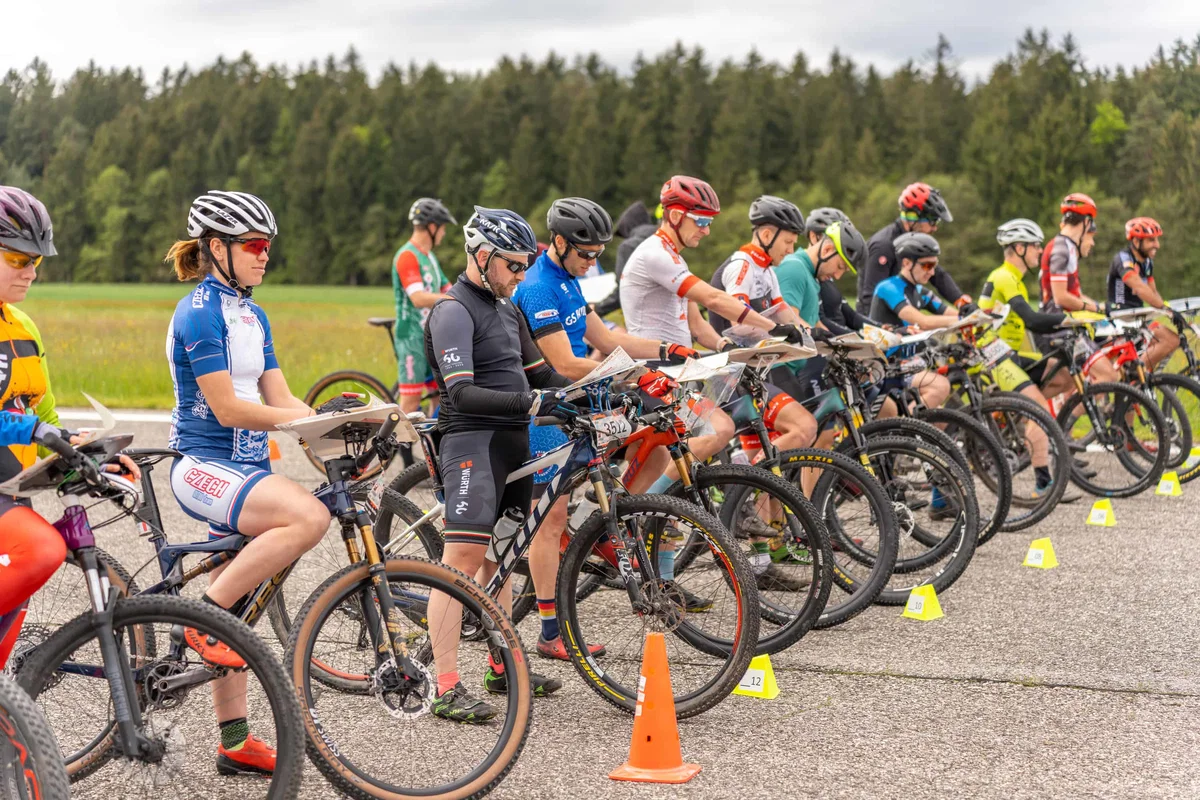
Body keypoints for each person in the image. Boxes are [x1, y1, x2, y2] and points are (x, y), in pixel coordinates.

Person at [165, 190, 330, 774]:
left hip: (247, 470)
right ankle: (201, 621)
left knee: (242, 601)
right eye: (255, 246)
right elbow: (229, 409)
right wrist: (307, 421)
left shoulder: (253, 314)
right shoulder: (199, 312)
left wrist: (340, 429)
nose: (265, 256)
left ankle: (233, 741)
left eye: (268, 247)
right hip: (203, 466)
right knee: (310, 517)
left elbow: (281, 399)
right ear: (217, 248)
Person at [513, 197, 695, 649]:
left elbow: (608, 339)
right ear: (558, 242)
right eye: (586, 254)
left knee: (631, 452)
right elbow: (565, 362)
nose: (593, 263)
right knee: (550, 519)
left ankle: (600, 535)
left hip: (577, 402)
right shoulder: (538, 287)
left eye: (598, 254)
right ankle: (550, 631)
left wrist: (667, 352)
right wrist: (634, 376)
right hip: (545, 407)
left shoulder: (571, 280)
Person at [423, 206, 577, 723]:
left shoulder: (508, 309)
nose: (519, 275)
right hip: (471, 444)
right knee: (462, 563)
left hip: (513, 445)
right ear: (483, 255)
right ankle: (445, 685)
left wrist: (602, 389)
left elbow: (541, 375)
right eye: (512, 265)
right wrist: (535, 406)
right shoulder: (452, 311)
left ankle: (499, 664)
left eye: (524, 265)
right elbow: (462, 392)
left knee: (502, 558)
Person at [0, 187, 140, 671]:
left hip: (11, 493)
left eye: (37, 260)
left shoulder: (23, 327)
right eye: (19, 258)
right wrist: (35, 430)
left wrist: (90, 449)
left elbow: (47, 414)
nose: (32, 271)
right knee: (40, 550)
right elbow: (31, 424)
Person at [979, 219, 1074, 497]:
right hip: (991, 356)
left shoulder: (1015, 278)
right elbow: (1032, 320)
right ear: (1019, 248)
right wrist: (1071, 320)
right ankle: (1043, 482)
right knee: (1039, 407)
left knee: (1063, 374)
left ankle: (1019, 419)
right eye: (1035, 245)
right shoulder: (1004, 276)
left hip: (1008, 353)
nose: (1040, 250)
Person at [392, 198, 456, 464]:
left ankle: (437, 455)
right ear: (431, 226)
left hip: (430, 337)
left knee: (440, 397)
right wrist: (452, 301)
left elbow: (446, 287)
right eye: (442, 228)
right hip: (410, 338)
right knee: (410, 402)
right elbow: (418, 298)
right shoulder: (407, 255)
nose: (443, 234)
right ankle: (406, 462)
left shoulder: (428, 256)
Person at [1037, 192, 1119, 382]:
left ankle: (1095, 407)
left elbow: (1076, 295)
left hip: (1066, 325)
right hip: (1058, 328)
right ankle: (1073, 413)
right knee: (1108, 376)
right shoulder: (1061, 248)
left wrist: (1103, 309)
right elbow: (1061, 298)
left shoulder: (1069, 247)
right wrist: (1096, 308)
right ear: (1086, 223)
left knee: (1112, 353)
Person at [868, 232, 954, 411]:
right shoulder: (889, 287)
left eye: (934, 266)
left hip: (908, 362)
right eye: (927, 265)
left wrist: (974, 317)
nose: (931, 272)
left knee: (943, 419)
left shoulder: (919, 290)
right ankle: (903, 430)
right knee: (940, 387)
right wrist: (962, 319)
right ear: (907, 263)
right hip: (886, 366)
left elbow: (949, 312)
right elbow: (922, 321)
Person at [858, 182, 972, 314]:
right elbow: (870, 298)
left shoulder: (914, 243)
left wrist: (961, 301)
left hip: (902, 320)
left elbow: (937, 275)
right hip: (880, 325)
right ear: (913, 217)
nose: (935, 228)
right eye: (932, 221)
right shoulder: (883, 246)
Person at [1107, 217, 1183, 370]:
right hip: (1120, 316)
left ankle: (1142, 380)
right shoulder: (1124, 258)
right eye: (1151, 240)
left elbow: (1153, 291)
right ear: (1136, 241)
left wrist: (1169, 311)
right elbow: (1139, 288)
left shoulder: (1147, 262)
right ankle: (1137, 377)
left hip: (1138, 316)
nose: (1157, 245)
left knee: (1172, 341)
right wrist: (1165, 309)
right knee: (1167, 340)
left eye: (1156, 240)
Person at [805, 208, 874, 335]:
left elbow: (849, 314)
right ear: (813, 237)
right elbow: (819, 322)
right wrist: (858, 338)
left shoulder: (826, 273)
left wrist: (882, 329)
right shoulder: (806, 272)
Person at [592, 200, 657, 317]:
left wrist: (596, 309)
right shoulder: (662, 239)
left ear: (627, 228)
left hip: (647, 320)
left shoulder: (628, 247)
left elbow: (624, 291)